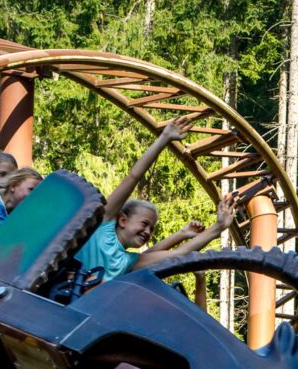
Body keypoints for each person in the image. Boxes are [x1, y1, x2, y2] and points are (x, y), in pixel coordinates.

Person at [74, 119, 236, 283]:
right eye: (144, 224)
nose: (147, 232)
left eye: (151, 229)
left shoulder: (129, 262)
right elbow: (133, 177)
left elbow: (177, 254)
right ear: (122, 220)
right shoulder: (104, 224)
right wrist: (164, 138)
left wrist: (219, 226)